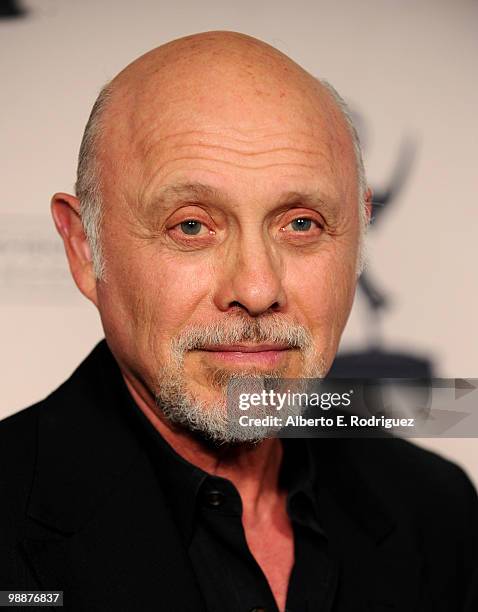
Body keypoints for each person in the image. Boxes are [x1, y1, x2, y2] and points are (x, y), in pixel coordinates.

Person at [0, 31, 476, 612]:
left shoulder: (437, 509)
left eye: (301, 224)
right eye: (192, 226)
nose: (256, 289)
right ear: (83, 248)